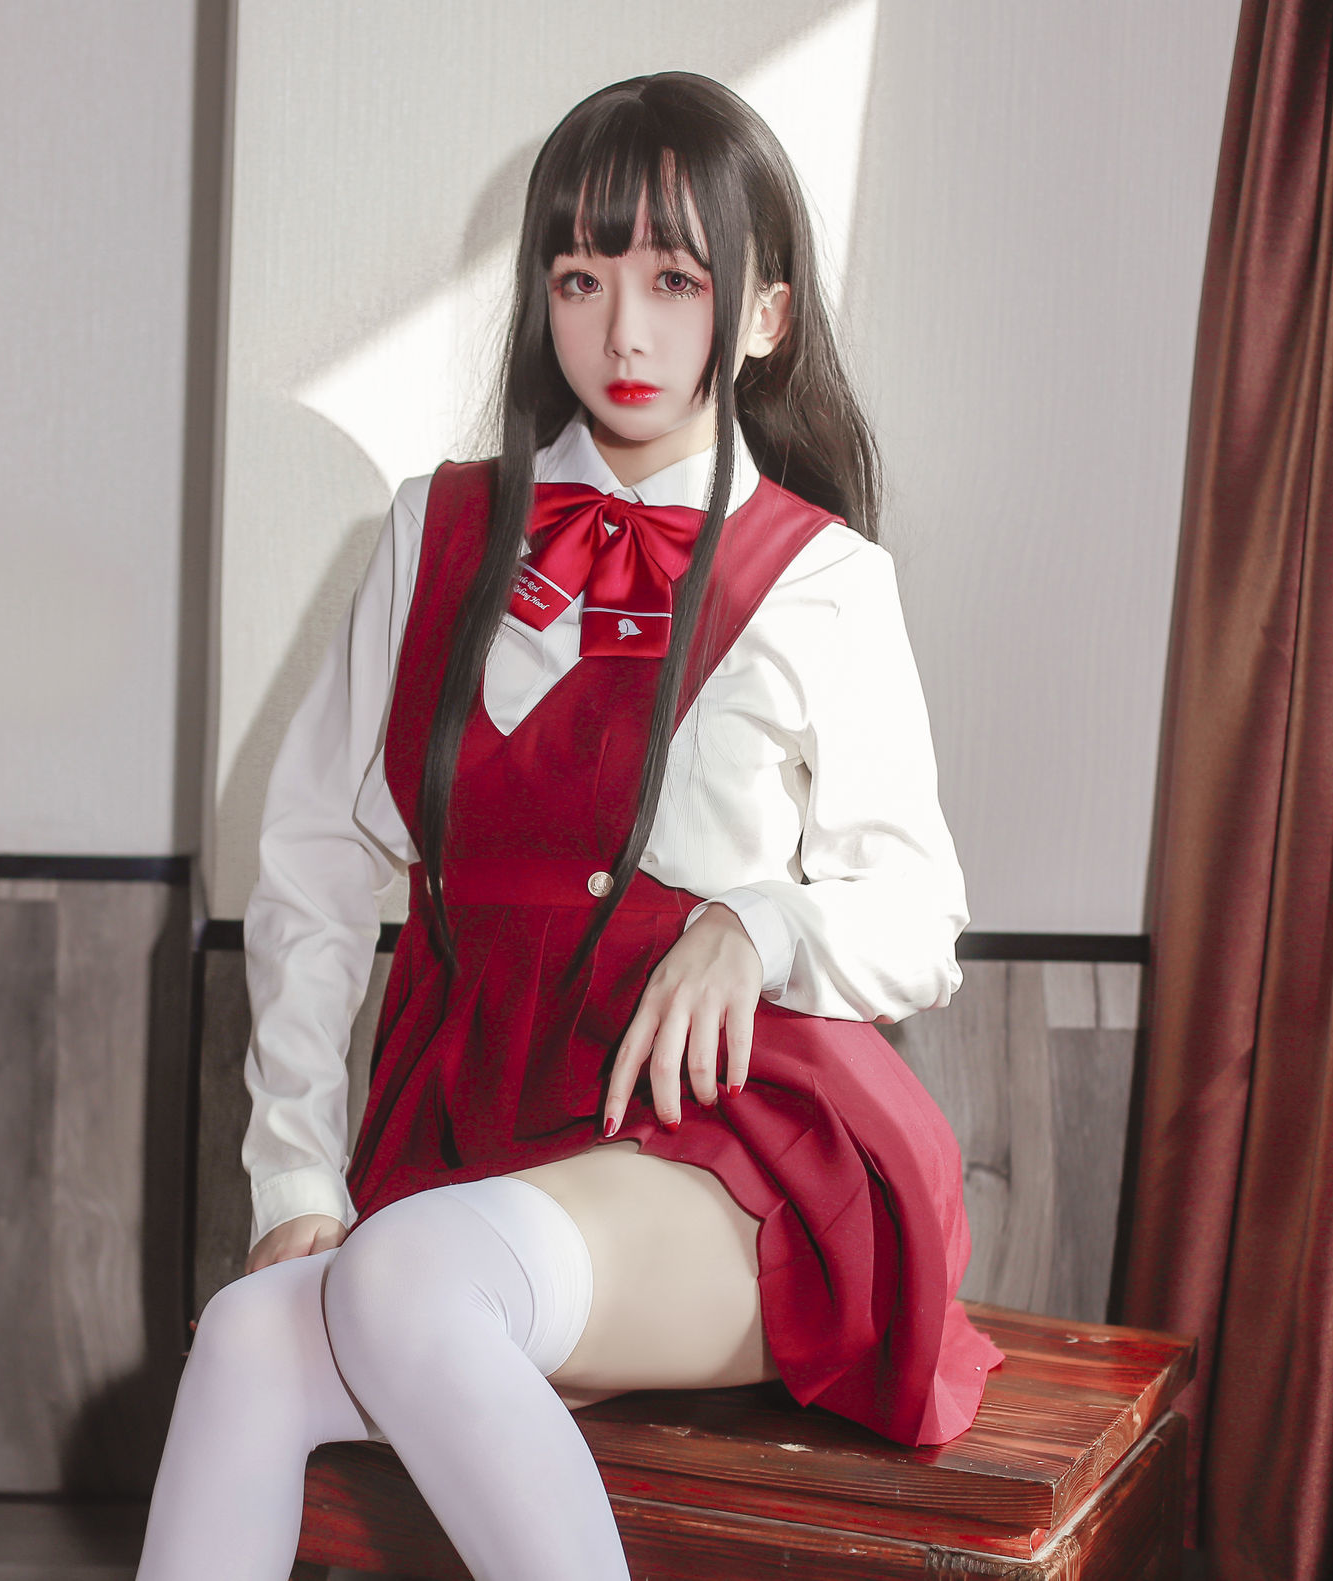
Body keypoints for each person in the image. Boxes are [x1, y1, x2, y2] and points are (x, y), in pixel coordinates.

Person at [137, 70, 1002, 1581]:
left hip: (734, 1150)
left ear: (763, 317)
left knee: (410, 1278)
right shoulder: (435, 532)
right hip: (474, 1128)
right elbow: (317, 868)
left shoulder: (824, 580)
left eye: (677, 281)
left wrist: (758, 927)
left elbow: (918, 913)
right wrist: (295, 1174)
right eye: (583, 278)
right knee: (250, 1337)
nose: (625, 333)